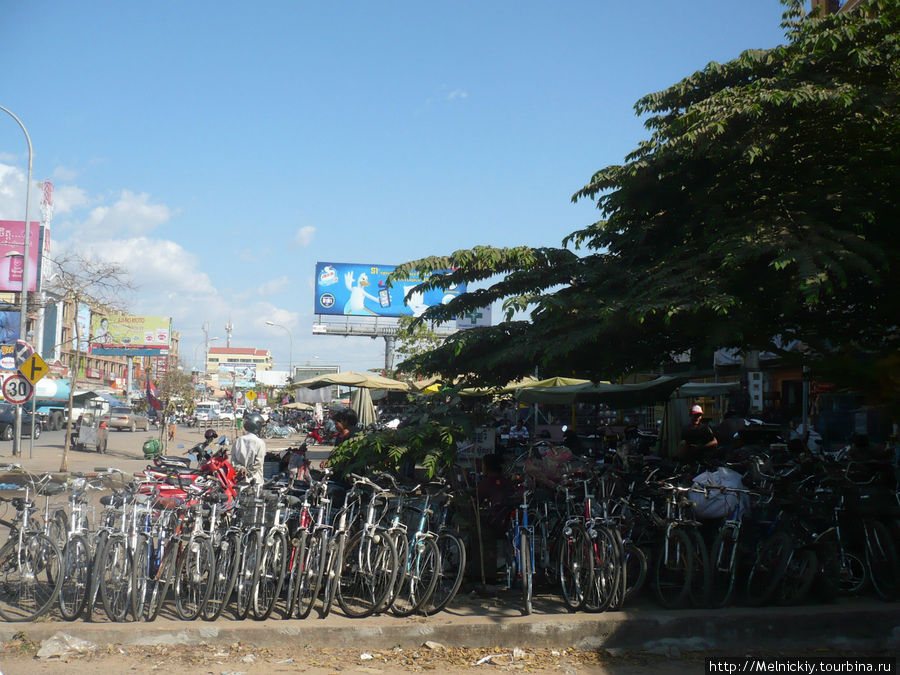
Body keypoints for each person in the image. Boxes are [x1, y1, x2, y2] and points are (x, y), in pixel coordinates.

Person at [232, 412, 266, 484]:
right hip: (255, 480)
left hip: (240, 480)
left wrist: (241, 470)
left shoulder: (238, 441)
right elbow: (259, 463)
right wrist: (248, 472)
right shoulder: (259, 442)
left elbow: (233, 461)